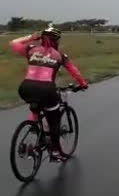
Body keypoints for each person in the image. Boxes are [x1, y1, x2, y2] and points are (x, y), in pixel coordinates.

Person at [9, 24, 89, 162]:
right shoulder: (60, 56)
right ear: (56, 41)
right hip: (46, 90)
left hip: (25, 88)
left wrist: (31, 37)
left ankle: (33, 123)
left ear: (41, 39)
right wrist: (83, 84)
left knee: (38, 103)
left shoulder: (31, 49)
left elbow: (13, 43)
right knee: (54, 122)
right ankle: (55, 152)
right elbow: (74, 71)